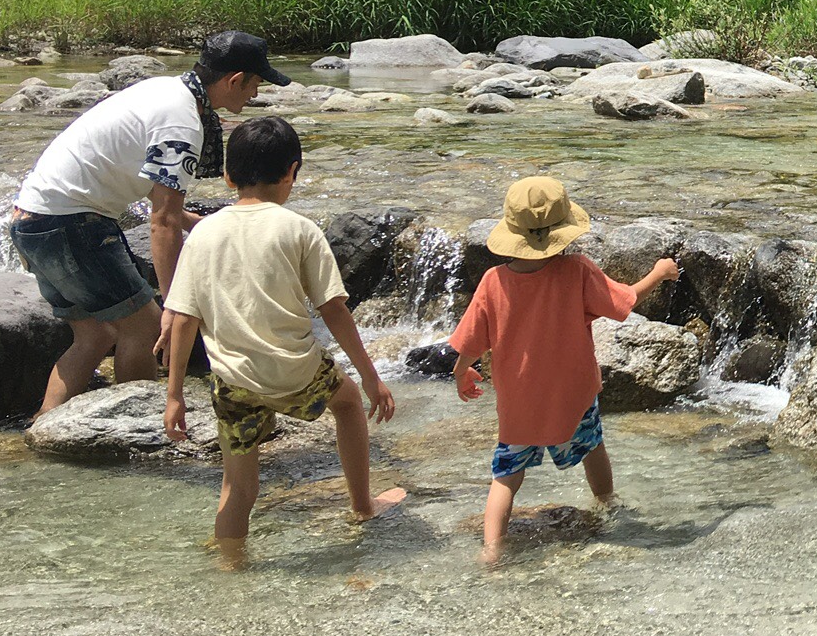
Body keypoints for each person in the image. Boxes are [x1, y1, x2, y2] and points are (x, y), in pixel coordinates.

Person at [162, 116, 403, 566]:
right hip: (296, 372)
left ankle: (231, 565)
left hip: (234, 380)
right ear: (293, 171)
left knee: (239, 488)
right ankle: (362, 506)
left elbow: (182, 320)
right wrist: (372, 378)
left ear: (228, 176)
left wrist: (174, 395)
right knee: (348, 403)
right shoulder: (299, 229)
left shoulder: (204, 233)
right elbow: (333, 309)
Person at [9, 31, 289, 415]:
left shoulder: (164, 90)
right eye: (255, 83)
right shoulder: (183, 125)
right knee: (145, 327)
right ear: (235, 80)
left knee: (96, 335)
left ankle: (43, 429)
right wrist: (175, 305)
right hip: (70, 224)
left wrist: (195, 222)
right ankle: (135, 436)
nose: (255, 94)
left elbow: (147, 190)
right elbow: (162, 222)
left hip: (31, 220)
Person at [452, 178, 682, 566]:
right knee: (592, 446)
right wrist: (659, 273)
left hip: (519, 403)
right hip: (573, 396)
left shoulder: (493, 282)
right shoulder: (576, 271)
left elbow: (471, 342)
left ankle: (491, 550)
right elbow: (624, 300)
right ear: (561, 232)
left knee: (506, 474)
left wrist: (462, 372)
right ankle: (607, 503)